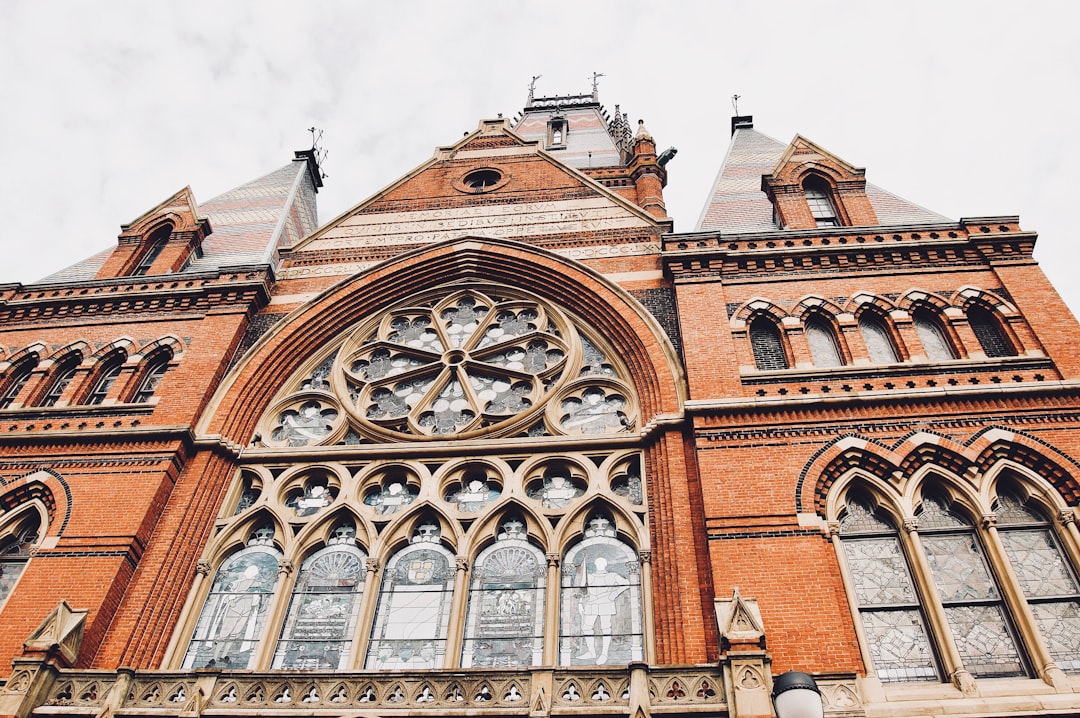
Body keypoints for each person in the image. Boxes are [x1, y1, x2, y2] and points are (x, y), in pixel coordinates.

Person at [576, 556, 629, 663]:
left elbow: (626, 583)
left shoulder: (612, 576)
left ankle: (604, 653)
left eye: (601, 563)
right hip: (592, 603)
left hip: (606, 603)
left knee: (605, 628)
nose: (599, 565)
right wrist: (581, 603)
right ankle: (591, 652)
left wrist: (613, 594)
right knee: (586, 627)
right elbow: (584, 591)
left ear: (605, 565)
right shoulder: (590, 577)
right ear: (596, 565)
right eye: (598, 564)